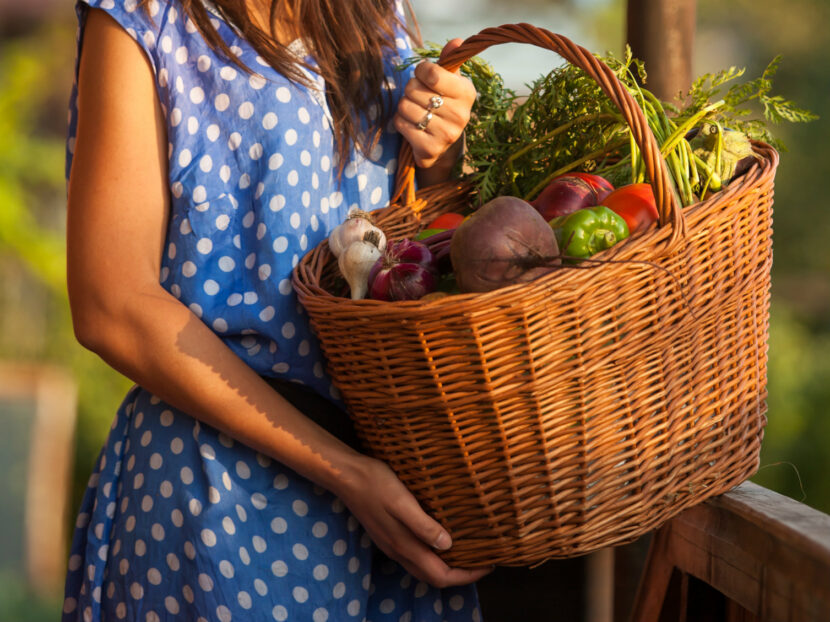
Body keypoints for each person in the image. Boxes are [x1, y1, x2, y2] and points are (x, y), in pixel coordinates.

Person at [61, 0, 488, 620]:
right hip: (218, 496)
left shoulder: (375, 13)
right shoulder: (146, 17)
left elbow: (402, 238)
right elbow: (112, 303)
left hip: (392, 502)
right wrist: (344, 472)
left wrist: (441, 152)